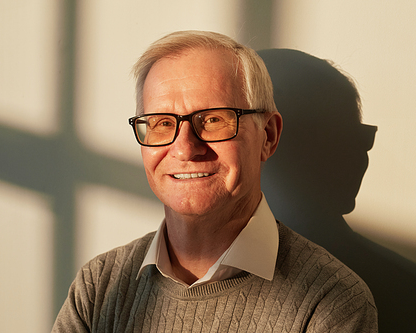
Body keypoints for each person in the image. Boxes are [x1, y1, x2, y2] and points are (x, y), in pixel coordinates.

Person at [52, 31, 378, 332]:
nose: (184, 148)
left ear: (268, 135)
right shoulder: (99, 286)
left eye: (212, 120)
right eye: (162, 123)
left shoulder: (331, 301)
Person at [258, 48, 416, 333]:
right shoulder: (411, 294)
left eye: (360, 140)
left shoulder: (411, 296)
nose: (357, 158)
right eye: (326, 143)